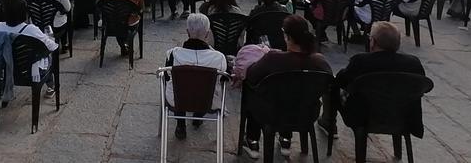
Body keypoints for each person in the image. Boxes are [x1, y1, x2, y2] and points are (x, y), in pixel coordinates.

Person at [242, 15, 332, 159]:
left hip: (271, 114)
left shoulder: (273, 59)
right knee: (293, 95)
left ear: (287, 36)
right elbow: (328, 84)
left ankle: (252, 140)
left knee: (254, 92)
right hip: (307, 114)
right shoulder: (319, 61)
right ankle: (285, 139)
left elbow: (251, 76)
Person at [319, 21, 425, 138]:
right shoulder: (413, 63)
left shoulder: (361, 61)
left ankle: (329, 123)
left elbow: (341, 81)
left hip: (363, 116)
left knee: (331, 85)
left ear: (373, 42)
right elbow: (422, 88)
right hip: (401, 116)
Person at [165, 13, 228, 141]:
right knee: (206, 88)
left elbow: (166, 77)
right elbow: (222, 80)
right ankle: (198, 116)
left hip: (178, 100)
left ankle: (180, 125)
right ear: (207, 33)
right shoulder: (219, 58)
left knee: (178, 87)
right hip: (208, 101)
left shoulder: (173, 54)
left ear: (187, 32)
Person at [0, 0, 58, 100]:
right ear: (24, 11)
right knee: (48, 56)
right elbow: (52, 47)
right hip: (28, 73)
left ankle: (0, 90)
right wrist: (50, 37)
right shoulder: (31, 30)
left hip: (6, 71)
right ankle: (51, 86)